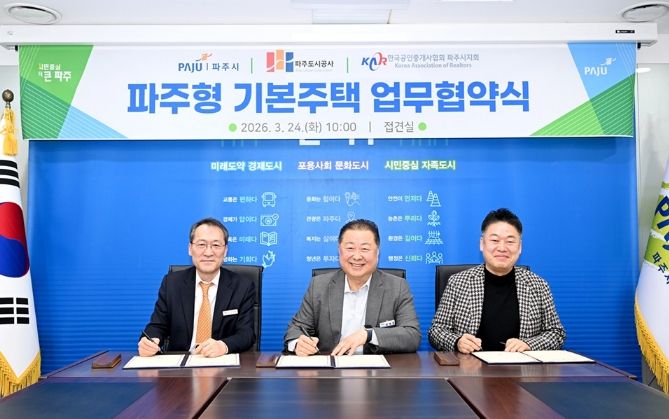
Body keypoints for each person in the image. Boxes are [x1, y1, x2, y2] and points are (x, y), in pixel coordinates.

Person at [428, 208, 565, 354]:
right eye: (494, 240)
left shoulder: (538, 285)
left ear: (520, 246)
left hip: (521, 366)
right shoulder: (458, 282)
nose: (502, 248)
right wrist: (457, 342)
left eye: (510, 241)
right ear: (482, 243)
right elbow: (436, 331)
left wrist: (528, 344)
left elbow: (556, 333)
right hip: (470, 366)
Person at [284, 219, 421, 356]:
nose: (357, 256)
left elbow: (412, 335)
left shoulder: (397, 287)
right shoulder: (319, 286)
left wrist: (369, 335)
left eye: (364, 249)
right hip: (331, 366)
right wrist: (298, 344)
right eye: (350, 248)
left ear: (377, 252)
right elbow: (296, 329)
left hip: (376, 368)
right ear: (339, 251)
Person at [138, 217, 255, 357]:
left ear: (225, 251)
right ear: (190, 249)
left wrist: (223, 346)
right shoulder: (172, 283)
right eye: (201, 244)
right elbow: (157, 326)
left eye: (216, 245)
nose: (208, 252)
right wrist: (149, 341)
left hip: (220, 360)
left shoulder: (243, 286)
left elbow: (246, 334)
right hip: (180, 362)